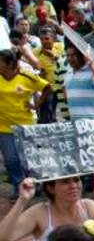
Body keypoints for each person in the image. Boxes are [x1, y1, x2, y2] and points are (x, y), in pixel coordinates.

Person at [0, 49, 49, 195]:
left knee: (30, 158)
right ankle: (19, 189)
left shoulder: (26, 76)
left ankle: (36, 183)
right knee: (11, 160)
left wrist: (37, 104)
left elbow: (47, 88)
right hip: (3, 126)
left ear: (10, 64)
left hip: (25, 125)